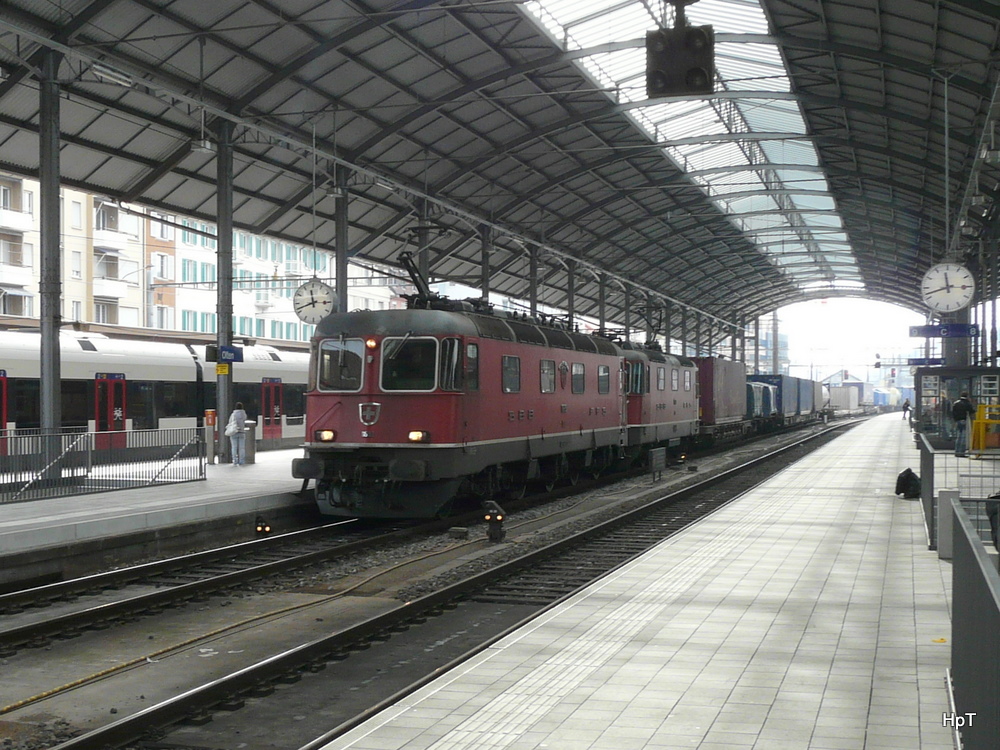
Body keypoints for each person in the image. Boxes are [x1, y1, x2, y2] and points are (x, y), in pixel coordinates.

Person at [952, 392, 976, 457]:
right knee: (963, 437)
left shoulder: (956, 403)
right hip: (964, 420)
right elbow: (972, 411)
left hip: (958, 421)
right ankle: (961, 452)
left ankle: (957, 452)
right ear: (967, 396)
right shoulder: (967, 403)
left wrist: (955, 420)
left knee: (958, 437)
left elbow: (953, 413)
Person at [228, 402, 248, 466]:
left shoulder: (233, 414)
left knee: (234, 447)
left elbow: (230, 422)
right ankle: (241, 461)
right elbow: (244, 420)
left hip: (234, 432)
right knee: (242, 448)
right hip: (242, 432)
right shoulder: (243, 414)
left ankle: (235, 461)